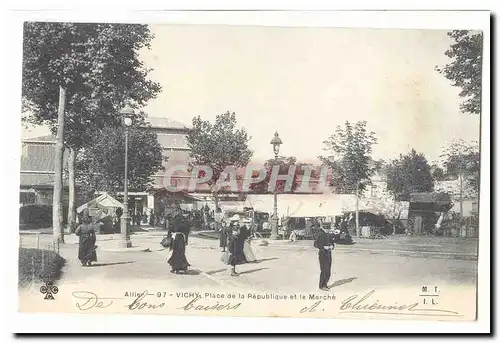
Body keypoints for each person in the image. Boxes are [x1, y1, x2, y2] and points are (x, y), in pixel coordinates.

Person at [313, 223, 335, 291]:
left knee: (328, 271)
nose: (328, 230)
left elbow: (332, 243)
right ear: (324, 228)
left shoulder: (329, 235)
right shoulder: (320, 234)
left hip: (328, 253)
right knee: (324, 270)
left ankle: (325, 284)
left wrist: (332, 246)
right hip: (322, 254)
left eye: (328, 229)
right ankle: (321, 285)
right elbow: (315, 244)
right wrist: (323, 247)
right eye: (327, 229)